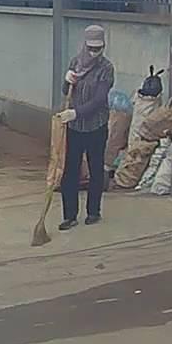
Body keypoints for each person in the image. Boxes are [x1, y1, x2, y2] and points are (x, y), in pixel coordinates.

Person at [59, 24, 115, 229]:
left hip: (96, 126)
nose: (94, 53)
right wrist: (67, 81)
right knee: (70, 171)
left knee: (95, 169)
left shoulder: (106, 68)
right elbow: (66, 91)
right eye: (91, 48)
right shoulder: (75, 63)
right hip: (75, 128)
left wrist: (76, 112)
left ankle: (93, 212)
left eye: (98, 49)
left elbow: (99, 100)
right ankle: (69, 216)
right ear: (85, 45)